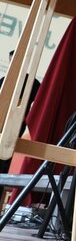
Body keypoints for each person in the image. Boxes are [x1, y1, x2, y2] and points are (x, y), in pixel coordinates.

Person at [0, 50, 41, 193]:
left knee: (5, 159)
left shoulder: (33, 83)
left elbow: (39, 105)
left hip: (16, 127)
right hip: (1, 124)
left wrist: (26, 117)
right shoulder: (4, 80)